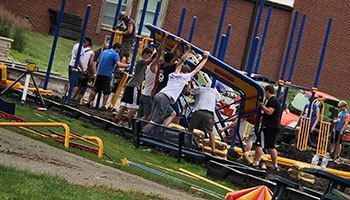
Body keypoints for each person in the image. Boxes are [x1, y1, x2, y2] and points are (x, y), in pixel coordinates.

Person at [149, 50, 210, 126]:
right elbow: (197, 69)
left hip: (159, 93)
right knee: (155, 121)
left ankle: (161, 129)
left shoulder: (173, 74)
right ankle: (147, 132)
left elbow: (181, 61)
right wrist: (205, 58)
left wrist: (188, 51)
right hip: (165, 97)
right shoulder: (185, 78)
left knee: (171, 113)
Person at [114, 47, 154, 125]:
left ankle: (117, 119)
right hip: (134, 85)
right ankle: (126, 121)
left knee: (125, 104)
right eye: (148, 55)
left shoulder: (141, 63)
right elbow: (149, 61)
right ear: (145, 54)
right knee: (136, 105)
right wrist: (156, 55)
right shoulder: (141, 61)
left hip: (131, 84)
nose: (149, 57)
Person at [86, 43, 129, 109]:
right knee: (106, 92)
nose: (119, 51)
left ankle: (88, 102)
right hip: (107, 74)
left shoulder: (104, 52)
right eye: (119, 49)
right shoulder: (115, 54)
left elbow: (99, 61)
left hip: (99, 73)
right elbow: (119, 65)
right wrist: (127, 65)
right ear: (117, 48)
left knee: (95, 89)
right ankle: (103, 106)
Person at [189, 84, 227, 155]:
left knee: (191, 129)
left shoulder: (200, 89)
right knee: (211, 131)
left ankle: (188, 143)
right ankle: (213, 150)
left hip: (198, 111)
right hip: (209, 113)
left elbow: (188, 93)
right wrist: (227, 104)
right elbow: (223, 104)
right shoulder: (214, 91)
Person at [138, 32, 168, 120]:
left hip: (144, 93)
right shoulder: (152, 66)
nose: (161, 62)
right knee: (146, 115)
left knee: (140, 114)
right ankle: (140, 129)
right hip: (147, 95)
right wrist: (164, 39)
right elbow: (160, 53)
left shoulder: (151, 66)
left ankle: (134, 127)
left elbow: (160, 54)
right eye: (159, 60)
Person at [253, 85, 281, 171]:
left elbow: (269, 112)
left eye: (265, 92)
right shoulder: (275, 101)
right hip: (274, 126)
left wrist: (261, 106)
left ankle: (256, 163)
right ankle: (275, 165)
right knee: (271, 146)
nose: (265, 94)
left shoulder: (272, 101)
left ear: (268, 91)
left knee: (259, 144)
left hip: (268, 126)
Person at [74, 38, 95, 104]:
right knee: (83, 86)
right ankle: (78, 98)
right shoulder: (91, 52)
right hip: (84, 70)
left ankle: (70, 96)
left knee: (75, 83)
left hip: (77, 68)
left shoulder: (79, 48)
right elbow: (91, 63)